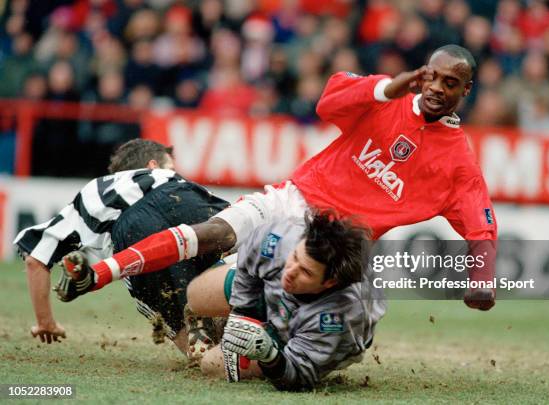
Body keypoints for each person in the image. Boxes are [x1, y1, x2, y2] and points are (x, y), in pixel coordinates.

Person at [65, 44, 497, 310]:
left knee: (238, 295)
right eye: (433, 77)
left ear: (466, 90)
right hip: (296, 196)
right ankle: (98, 274)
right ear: (422, 74)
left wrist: (482, 282)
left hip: (334, 244)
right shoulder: (387, 96)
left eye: (451, 82)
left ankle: (218, 330)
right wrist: (390, 86)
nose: (438, 87)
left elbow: (481, 227)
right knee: (213, 232)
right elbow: (329, 101)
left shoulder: (459, 163)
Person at [14, 139, 229, 352]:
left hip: (130, 238)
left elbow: (35, 258)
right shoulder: (164, 176)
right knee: (239, 263)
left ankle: (208, 349)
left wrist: (46, 323)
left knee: (195, 343)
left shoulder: (93, 192)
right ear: (152, 166)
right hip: (180, 199)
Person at [186, 211, 384, 391]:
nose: (290, 272)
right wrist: (245, 315)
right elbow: (250, 254)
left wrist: (269, 355)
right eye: (295, 257)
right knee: (195, 296)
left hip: (300, 332)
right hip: (268, 294)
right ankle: (226, 323)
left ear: (329, 282)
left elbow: (298, 376)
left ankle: (260, 337)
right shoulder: (284, 237)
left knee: (210, 365)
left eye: (305, 271)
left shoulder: (338, 318)